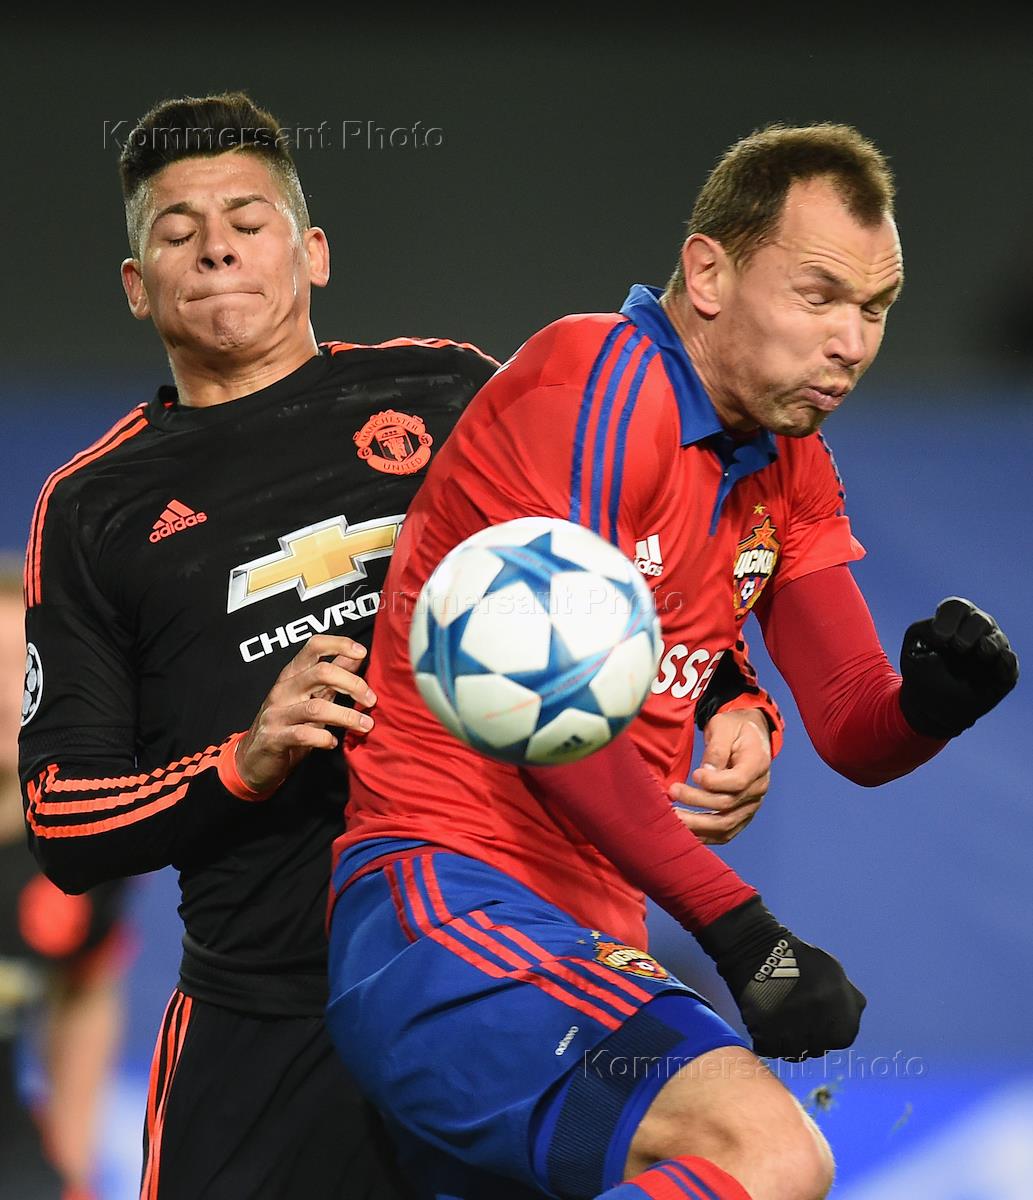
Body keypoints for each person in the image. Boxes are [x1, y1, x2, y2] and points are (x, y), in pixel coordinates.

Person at [326, 123, 1019, 1200]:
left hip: (585, 935)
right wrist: (745, 935)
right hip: (449, 906)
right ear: (707, 274)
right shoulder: (599, 382)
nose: (850, 341)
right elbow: (548, 721)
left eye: (875, 308)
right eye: (818, 295)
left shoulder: (788, 458)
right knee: (767, 1152)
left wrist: (929, 709)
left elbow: (850, 722)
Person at [17, 90, 503, 1200]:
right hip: (261, 1021)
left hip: (487, 966)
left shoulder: (450, 392)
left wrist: (727, 690)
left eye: (247, 218)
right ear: (137, 285)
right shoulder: (92, 508)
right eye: (177, 232)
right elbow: (63, 818)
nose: (217, 246)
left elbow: (624, 564)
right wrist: (246, 758)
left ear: (312, 252)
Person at [1, 562, 127, 1200]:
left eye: (20, 668)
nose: (6, 697)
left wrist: (74, 1165)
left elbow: (86, 990)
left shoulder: (77, 845)